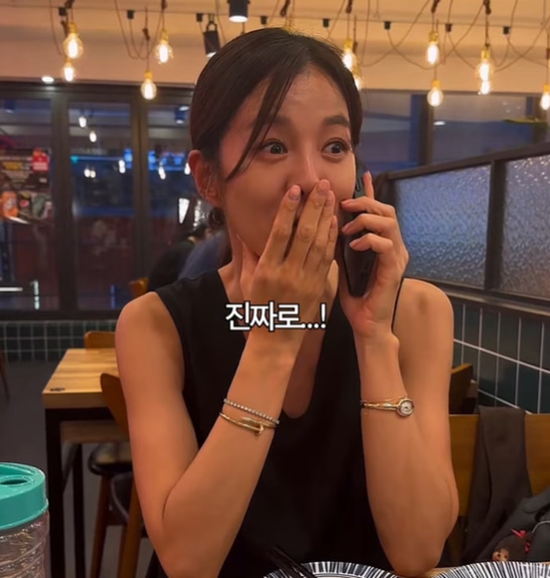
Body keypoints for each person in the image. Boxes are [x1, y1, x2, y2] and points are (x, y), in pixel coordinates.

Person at [116, 27, 459, 578]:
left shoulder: (416, 312)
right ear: (208, 178)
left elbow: (417, 552)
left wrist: (374, 337)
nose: (312, 177)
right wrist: (275, 332)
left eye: (334, 147)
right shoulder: (154, 326)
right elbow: (187, 561)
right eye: (273, 146)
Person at [147, 222, 210, 292]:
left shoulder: (184, 245)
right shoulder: (188, 250)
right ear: (207, 233)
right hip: (161, 295)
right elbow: (186, 282)